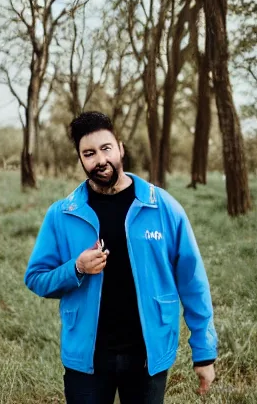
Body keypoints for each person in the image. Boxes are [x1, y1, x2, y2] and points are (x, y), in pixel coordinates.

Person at [24, 111, 217, 404]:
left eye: (106, 148)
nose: (99, 159)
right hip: (86, 361)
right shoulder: (62, 214)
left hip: (146, 357)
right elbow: (36, 278)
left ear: (120, 148)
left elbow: (193, 282)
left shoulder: (162, 207)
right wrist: (76, 268)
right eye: (89, 153)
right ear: (80, 160)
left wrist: (204, 352)